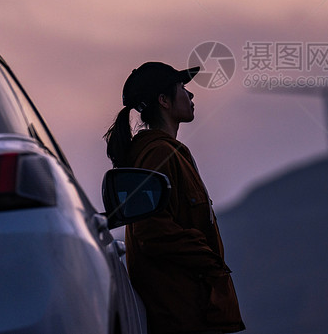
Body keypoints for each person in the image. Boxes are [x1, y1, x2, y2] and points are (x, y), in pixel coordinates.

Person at [104, 62, 245, 334]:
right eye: (182, 88)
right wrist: (210, 260)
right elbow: (152, 230)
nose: (190, 96)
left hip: (188, 309)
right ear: (164, 101)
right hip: (178, 314)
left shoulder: (164, 152)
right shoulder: (157, 154)